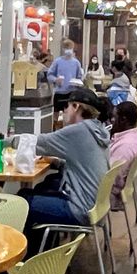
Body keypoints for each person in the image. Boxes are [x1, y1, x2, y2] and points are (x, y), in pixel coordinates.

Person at [27, 85, 112, 242]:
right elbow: (83, 163)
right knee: (40, 189)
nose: (64, 111)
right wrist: (58, 163)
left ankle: (29, 261)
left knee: (21, 204)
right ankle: (47, 254)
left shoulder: (78, 131)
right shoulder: (98, 130)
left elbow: (37, 143)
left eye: (66, 107)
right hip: (95, 207)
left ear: (76, 107)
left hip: (79, 208)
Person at [107, 98, 137, 189]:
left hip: (109, 191)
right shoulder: (133, 136)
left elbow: (113, 177)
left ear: (123, 119)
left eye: (114, 117)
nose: (112, 120)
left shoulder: (125, 146)